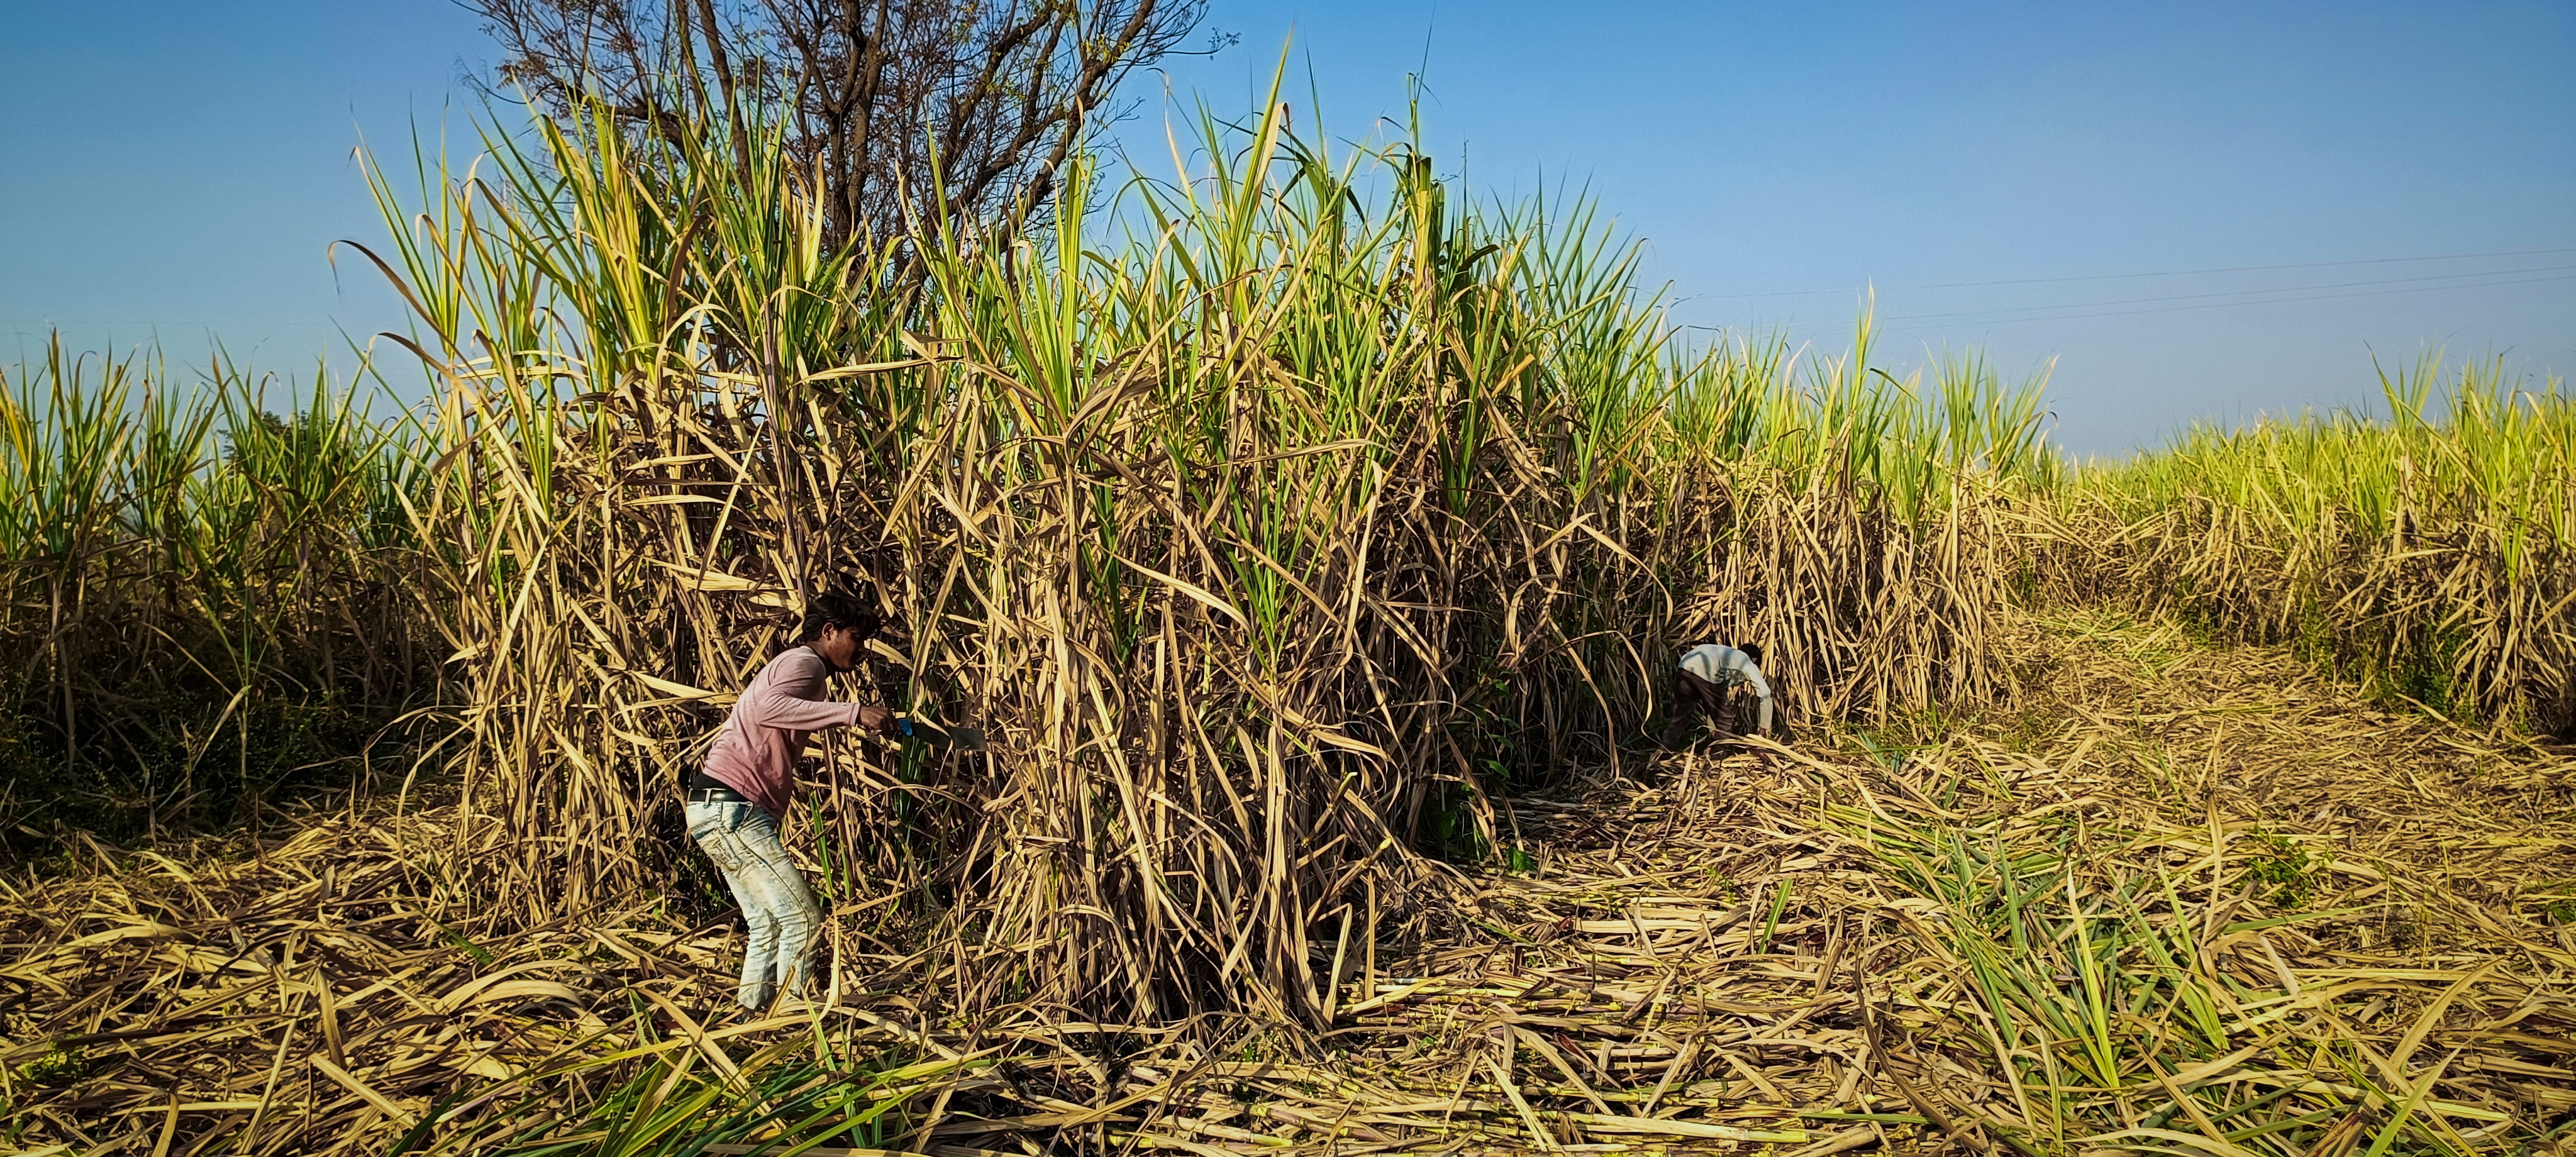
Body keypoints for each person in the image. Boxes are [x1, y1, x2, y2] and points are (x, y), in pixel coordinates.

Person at [683, 592, 895, 1013]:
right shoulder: (805, 662)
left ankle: (752, 1018)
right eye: (856, 637)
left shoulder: (801, 668)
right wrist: (853, 713)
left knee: (767, 922)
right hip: (732, 807)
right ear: (828, 632)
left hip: (714, 805)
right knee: (803, 918)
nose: (862, 650)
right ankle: (792, 1022)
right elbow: (767, 708)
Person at [1659, 641, 1775, 750]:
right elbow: (1765, 694)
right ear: (1755, 660)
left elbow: (1713, 707)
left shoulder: (1725, 655)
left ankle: (1662, 755)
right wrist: (1763, 730)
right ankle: (1717, 761)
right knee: (1724, 721)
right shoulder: (1747, 661)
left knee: (1680, 718)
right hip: (1707, 670)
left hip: (1684, 667)